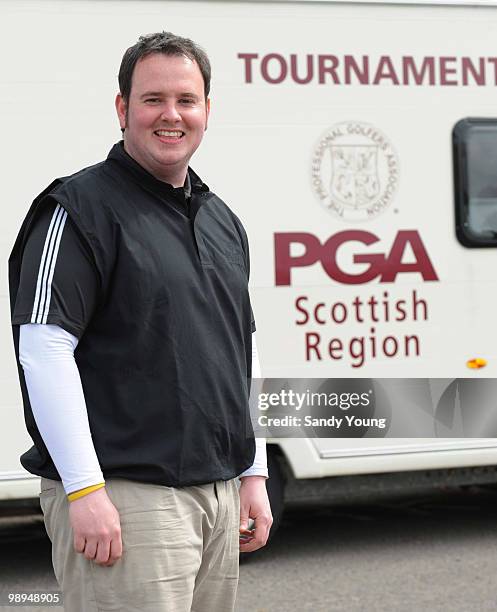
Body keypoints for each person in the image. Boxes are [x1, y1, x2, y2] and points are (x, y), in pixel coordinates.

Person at [8, 31, 272, 612]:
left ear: (207, 110)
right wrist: (84, 488)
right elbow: (45, 350)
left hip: (218, 496)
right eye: (153, 99)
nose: (171, 115)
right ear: (123, 108)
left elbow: (239, 354)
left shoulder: (221, 220)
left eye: (187, 99)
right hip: (126, 499)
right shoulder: (77, 210)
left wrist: (251, 474)